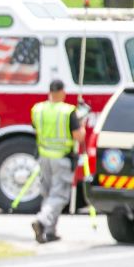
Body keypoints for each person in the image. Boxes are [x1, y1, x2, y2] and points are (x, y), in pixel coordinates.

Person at [30, 79, 85, 244]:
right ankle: (41, 221)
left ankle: (50, 232)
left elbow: (35, 129)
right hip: (61, 158)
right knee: (59, 196)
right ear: (62, 92)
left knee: (48, 195)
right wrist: (81, 123)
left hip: (43, 156)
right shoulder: (68, 111)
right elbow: (79, 136)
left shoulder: (38, 109)